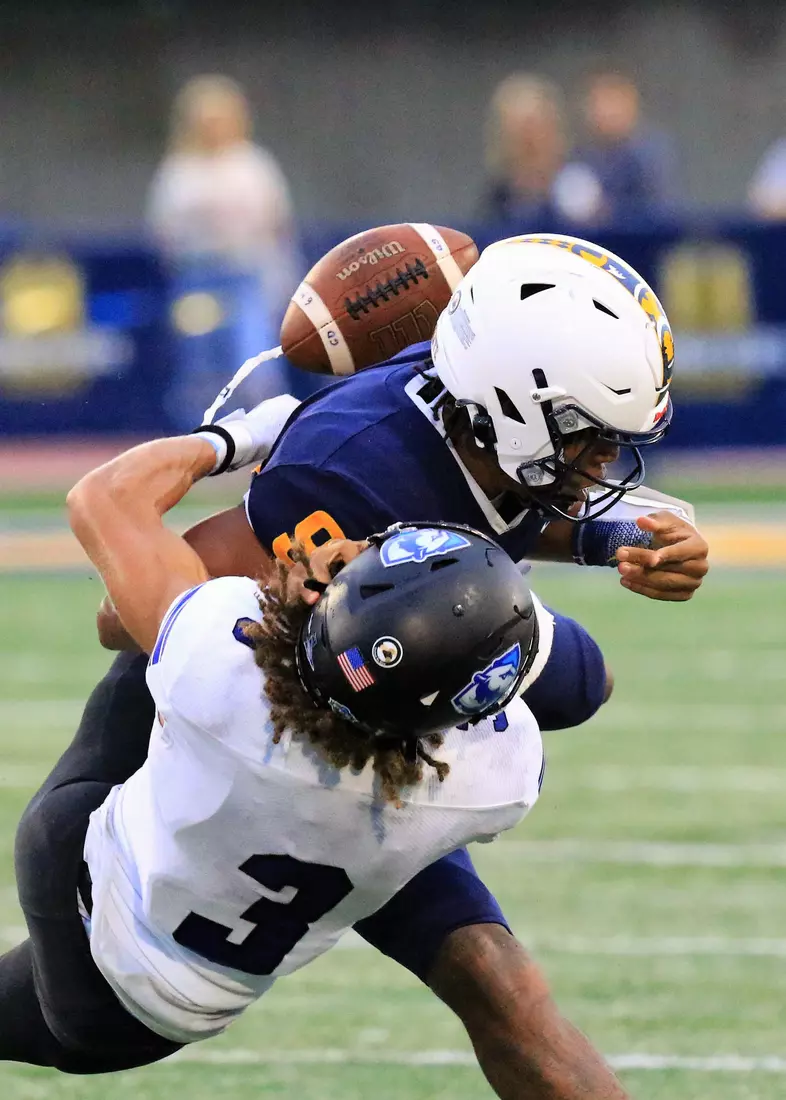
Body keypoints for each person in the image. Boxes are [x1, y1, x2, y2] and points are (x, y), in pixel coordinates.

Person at [91, 234, 706, 1097]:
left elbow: (505, 506)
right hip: (270, 746)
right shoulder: (347, 469)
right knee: (103, 1003)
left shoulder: (483, 411)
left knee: (503, 987)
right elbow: (125, 618)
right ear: (516, 407)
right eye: (591, 440)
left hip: (388, 730)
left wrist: (609, 538)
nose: (605, 466)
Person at [0, 416, 632, 1098]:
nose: (348, 548)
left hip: (99, 949)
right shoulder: (487, 783)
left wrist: (240, 437)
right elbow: (579, 680)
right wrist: (600, 544)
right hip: (198, 983)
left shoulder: (223, 673)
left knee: (119, 709)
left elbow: (104, 505)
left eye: (354, 568)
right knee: (493, 973)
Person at [147, 74, 300, 426]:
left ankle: (268, 435)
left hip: (247, 274)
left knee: (255, 359)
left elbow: (278, 227)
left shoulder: (252, 165)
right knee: (201, 363)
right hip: (198, 277)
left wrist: (282, 279)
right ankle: (203, 441)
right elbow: (163, 231)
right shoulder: (179, 170)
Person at [479, 73, 604, 225]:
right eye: (515, 130)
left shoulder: (579, 188)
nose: (527, 140)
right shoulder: (497, 198)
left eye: (533, 127)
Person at [571, 70, 676, 222]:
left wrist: (610, 211)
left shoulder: (648, 155)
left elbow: (661, 211)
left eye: (613, 102)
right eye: (598, 103)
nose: (606, 113)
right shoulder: (579, 156)